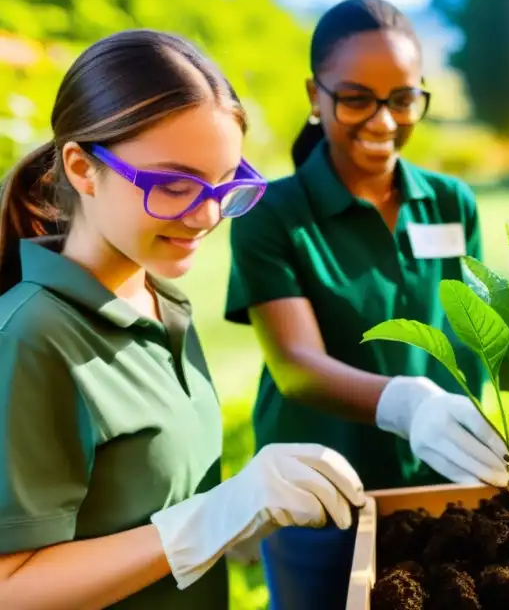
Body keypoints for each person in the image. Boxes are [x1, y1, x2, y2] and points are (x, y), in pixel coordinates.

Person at [0, 30, 367, 610]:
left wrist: (243, 517)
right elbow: (11, 587)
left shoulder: (160, 304)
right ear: (80, 167)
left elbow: (150, 508)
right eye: (174, 185)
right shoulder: (32, 337)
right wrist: (211, 519)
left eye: (225, 185)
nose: (208, 213)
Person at [224, 0, 509, 608]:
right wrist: (408, 404)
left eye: (403, 100)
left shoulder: (452, 203)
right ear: (314, 94)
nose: (383, 122)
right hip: (319, 492)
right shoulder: (270, 215)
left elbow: (475, 328)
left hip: (436, 484)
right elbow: (296, 366)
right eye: (356, 99)